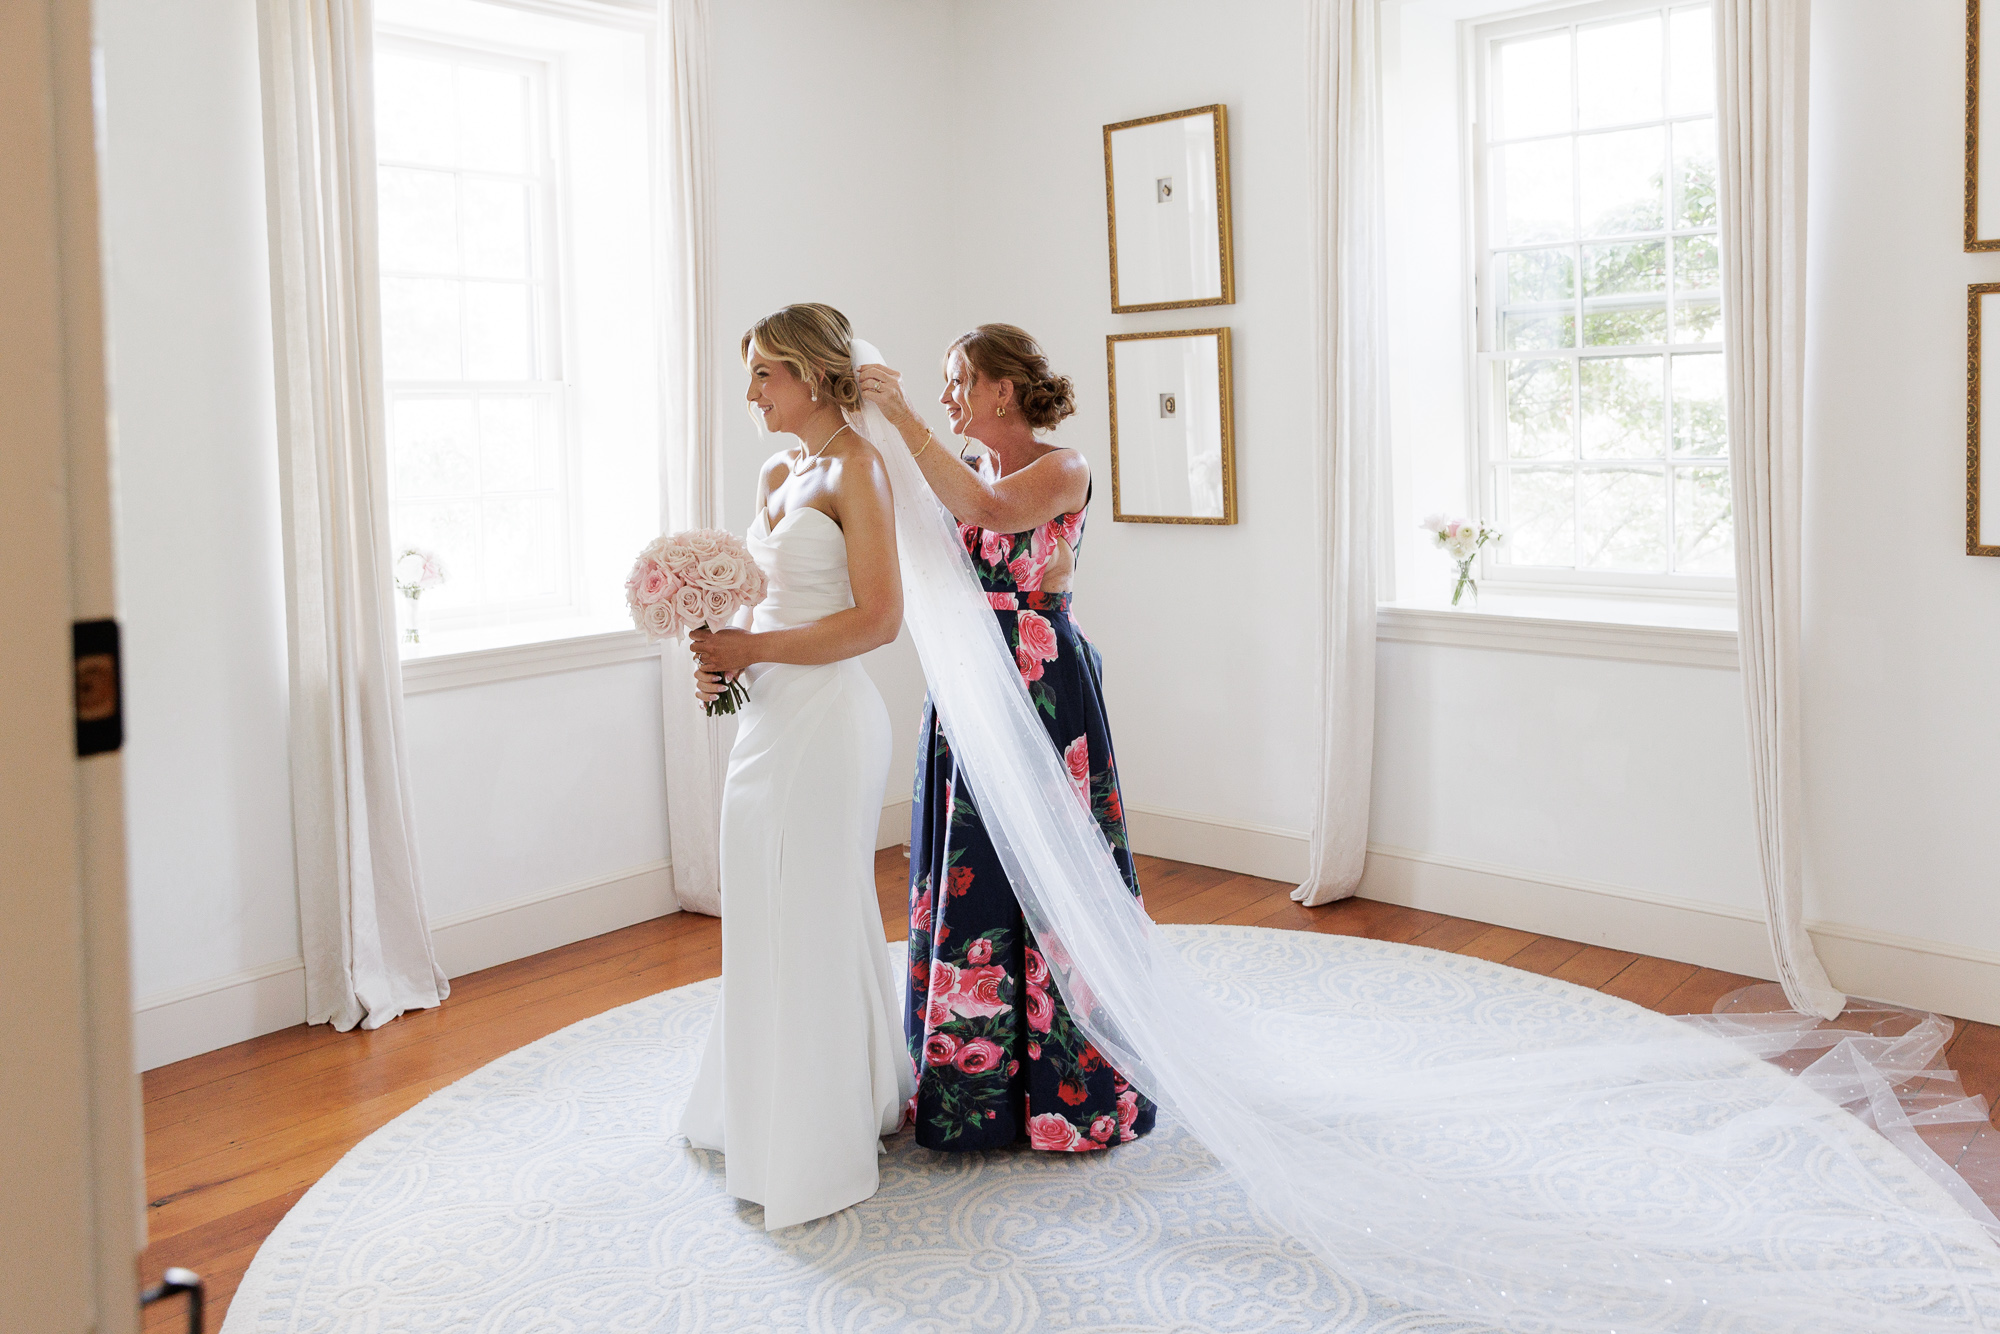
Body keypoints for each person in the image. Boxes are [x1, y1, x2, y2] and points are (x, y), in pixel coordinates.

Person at [857, 324, 1157, 1154]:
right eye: (945, 381)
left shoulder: (1062, 468)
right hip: (968, 690)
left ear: (1003, 389)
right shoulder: (964, 470)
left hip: (1040, 685)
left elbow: (990, 513)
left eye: (959, 379)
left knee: (1053, 871)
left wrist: (907, 417)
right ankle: (972, 1095)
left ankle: (1069, 1089)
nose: (949, 394)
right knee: (970, 868)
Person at [677, 302, 912, 1229]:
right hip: (767, 720)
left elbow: (878, 621)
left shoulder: (861, 469)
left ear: (814, 374)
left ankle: (818, 1136)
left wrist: (754, 654)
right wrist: (718, 650)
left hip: (829, 719)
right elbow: (762, 607)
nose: (750, 394)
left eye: (764, 375)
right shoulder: (780, 468)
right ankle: (776, 1102)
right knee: (767, 906)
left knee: (815, 904)